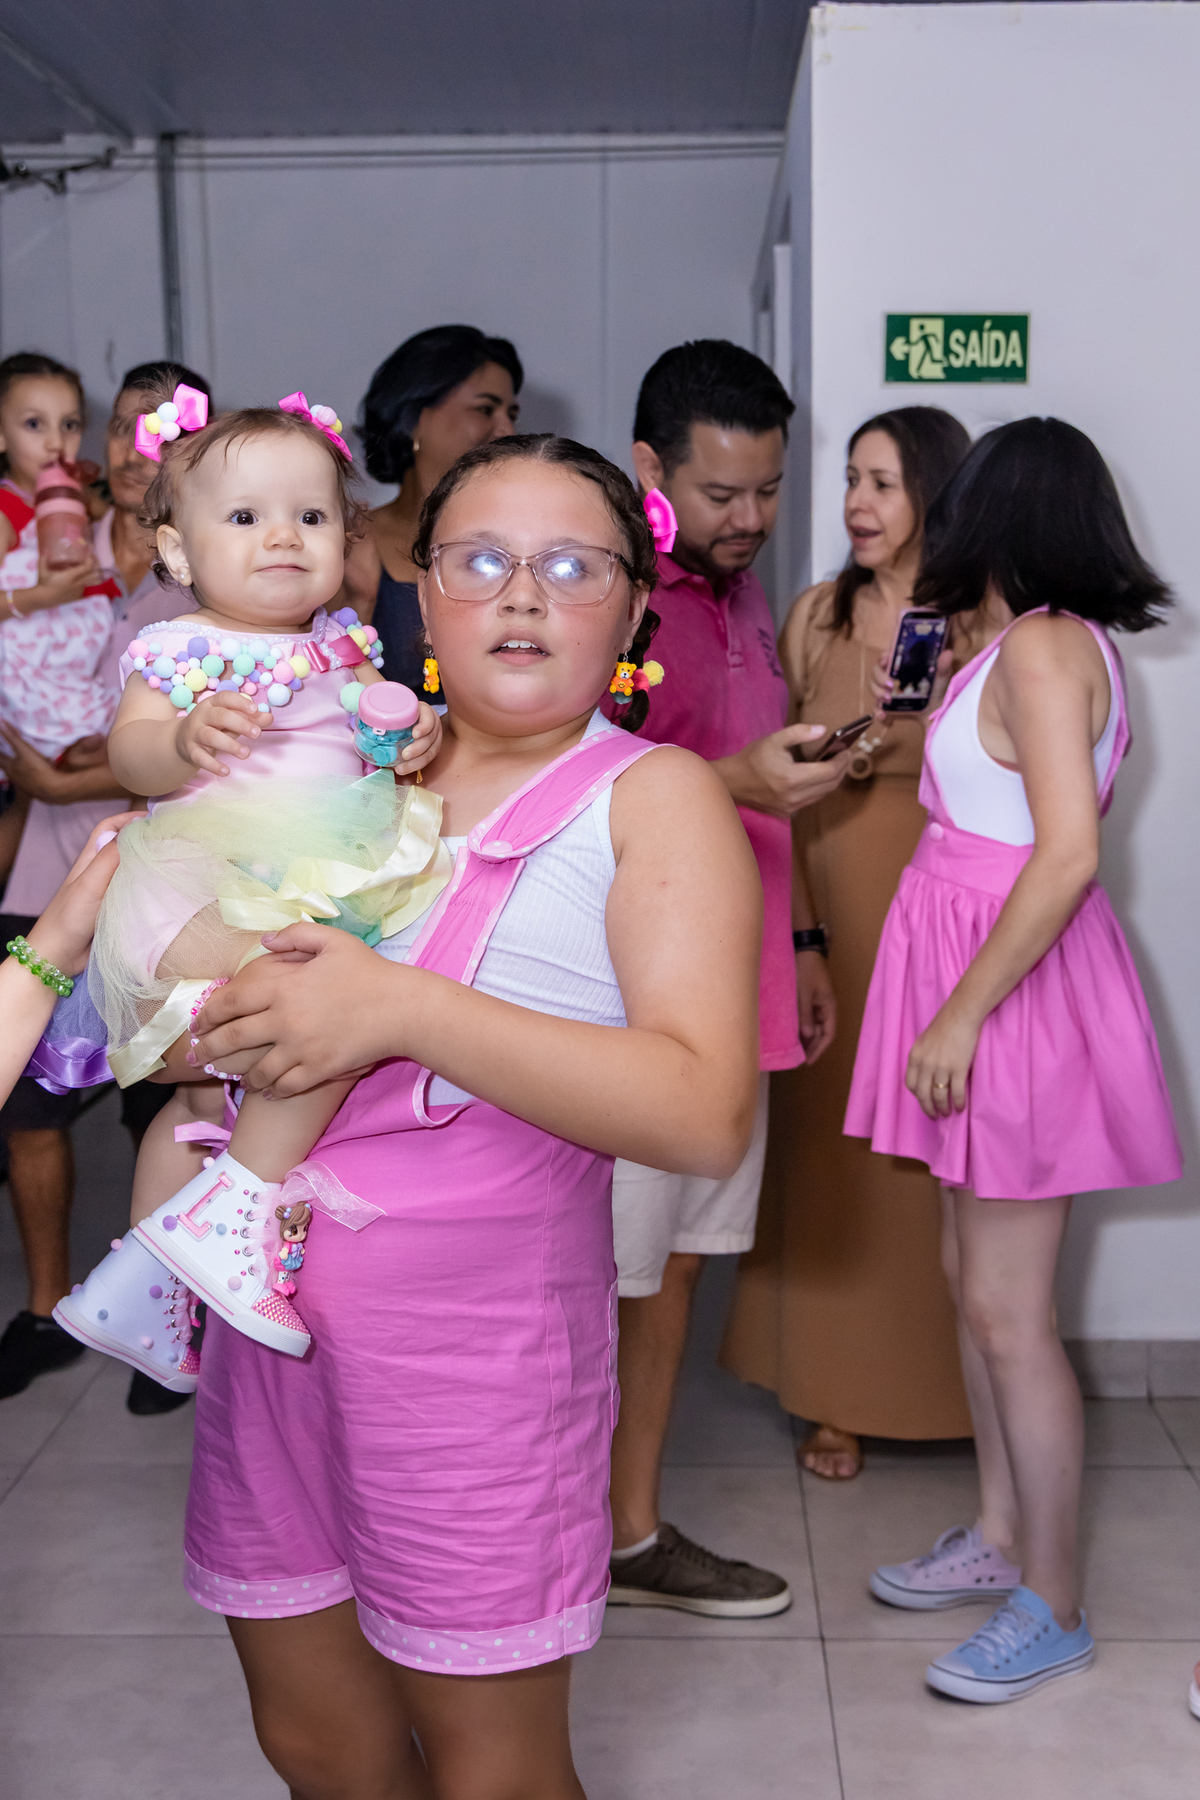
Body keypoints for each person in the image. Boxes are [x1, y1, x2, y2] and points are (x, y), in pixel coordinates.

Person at [151, 431, 761, 1796]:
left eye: (574, 565)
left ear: (634, 609)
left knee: (494, 1771)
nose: (524, 594)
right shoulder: (342, 768)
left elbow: (704, 1109)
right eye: (482, 560)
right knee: (317, 1743)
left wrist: (401, 1010)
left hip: (474, 1371)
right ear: (420, 589)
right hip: (274, 1335)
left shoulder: (648, 799)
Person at [846, 418, 1181, 1702]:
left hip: (1008, 992)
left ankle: (1054, 1601)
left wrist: (960, 1015)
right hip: (981, 972)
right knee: (972, 1281)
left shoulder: (1044, 647)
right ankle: (1000, 1535)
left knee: (1009, 1311)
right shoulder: (1020, 642)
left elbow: (1066, 854)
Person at [52, 395, 442, 1388]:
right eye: (245, 517)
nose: (283, 537)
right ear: (177, 552)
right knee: (316, 1023)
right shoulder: (179, 648)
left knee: (208, 1094)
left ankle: (140, 1287)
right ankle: (234, 1212)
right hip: (206, 884)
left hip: (317, 876)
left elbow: (370, 742)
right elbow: (131, 755)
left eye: (312, 516)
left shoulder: (347, 643)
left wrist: (408, 738)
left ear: (347, 538)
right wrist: (180, 739)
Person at [601, 339, 849, 1617]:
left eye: (768, 490)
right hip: (629, 1007)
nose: (750, 518)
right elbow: (560, 788)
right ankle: (541, 1538)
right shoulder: (605, 598)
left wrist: (800, 944)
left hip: (738, 995)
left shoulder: (748, 598)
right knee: (601, 1282)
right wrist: (732, 782)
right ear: (650, 469)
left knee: (678, 1271)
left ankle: (628, 1532)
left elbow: (770, 795)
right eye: (720, 493)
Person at [722, 408, 973, 1481]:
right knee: (833, 1152)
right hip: (832, 914)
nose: (856, 505)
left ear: (936, 495)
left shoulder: (984, 624)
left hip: (951, 922)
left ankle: (958, 1387)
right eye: (851, 481)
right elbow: (773, 785)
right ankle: (831, 1392)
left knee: (941, 1152)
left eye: (883, 483)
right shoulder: (816, 616)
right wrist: (802, 939)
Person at [0, 360, 210, 1408]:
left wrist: (59, 776)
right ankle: (49, 1309)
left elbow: (199, 745)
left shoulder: (212, 571)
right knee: (28, 1104)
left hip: (161, 862)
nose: (138, 449)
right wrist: (36, 780)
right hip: (45, 862)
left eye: (165, 431)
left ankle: (167, 1306)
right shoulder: (51, 539)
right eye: (125, 427)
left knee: (161, 1098)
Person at [340, 324, 523, 692]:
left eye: (511, 414)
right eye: (485, 409)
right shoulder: (350, 544)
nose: (507, 430)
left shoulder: (526, 544)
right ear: (415, 419)